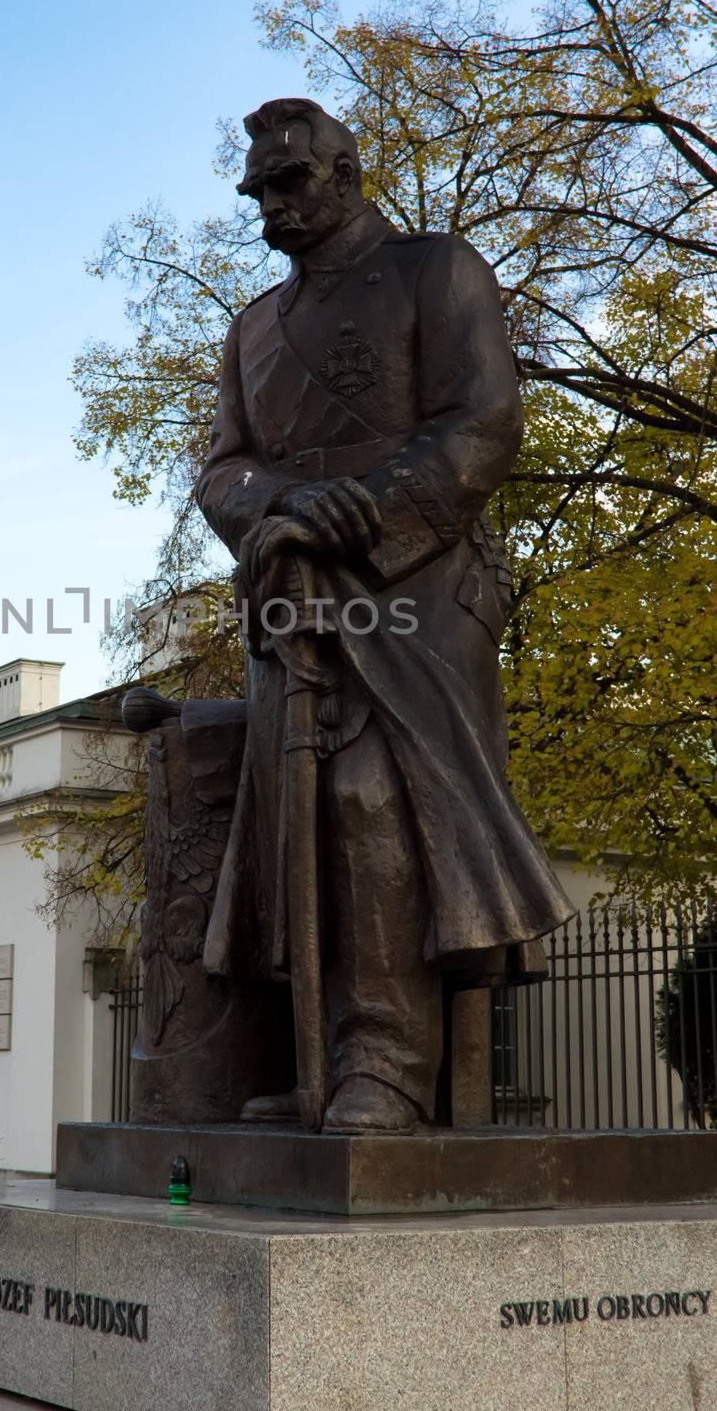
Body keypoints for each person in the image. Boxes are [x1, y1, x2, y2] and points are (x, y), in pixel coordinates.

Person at [195, 96, 574, 1133]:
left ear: (346, 170)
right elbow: (221, 467)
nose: (269, 207)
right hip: (293, 584)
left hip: (414, 578)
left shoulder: (434, 270)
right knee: (295, 809)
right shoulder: (251, 331)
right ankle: (315, 1056)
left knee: (373, 795)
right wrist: (275, 511)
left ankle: (389, 1062)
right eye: (257, 192)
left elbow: (481, 421)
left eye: (288, 183)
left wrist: (360, 509)